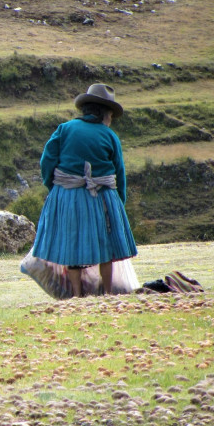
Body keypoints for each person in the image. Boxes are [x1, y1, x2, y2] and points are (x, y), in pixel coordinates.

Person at [32, 83, 138, 297]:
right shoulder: (109, 136)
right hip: (102, 198)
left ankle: (77, 295)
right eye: (110, 115)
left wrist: (54, 186)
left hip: (67, 196)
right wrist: (119, 202)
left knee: (72, 244)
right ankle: (108, 292)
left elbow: (47, 161)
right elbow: (119, 172)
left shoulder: (65, 129)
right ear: (105, 113)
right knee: (106, 246)